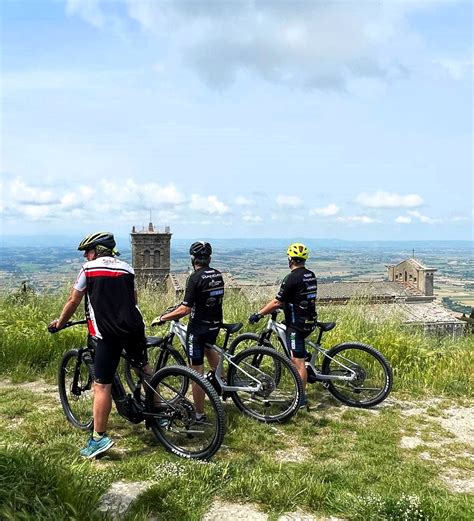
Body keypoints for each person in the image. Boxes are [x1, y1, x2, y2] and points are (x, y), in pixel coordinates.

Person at [49, 232, 150, 459]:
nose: (86, 255)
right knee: (143, 369)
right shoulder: (127, 268)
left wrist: (60, 323)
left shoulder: (89, 269)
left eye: (88, 251)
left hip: (107, 333)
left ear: (97, 250)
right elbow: (133, 301)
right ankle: (159, 412)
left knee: (102, 385)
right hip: (134, 327)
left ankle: (98, 438)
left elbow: (74, 300)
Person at [153, 241, 224, 420]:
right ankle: (221, 383)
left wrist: (162, 318)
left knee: (196, 373)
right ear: (209, 258)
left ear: (193, 259)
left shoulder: (194, 277)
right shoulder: (217, 274)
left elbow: (185, 309)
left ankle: (199, 414)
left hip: (198, 329)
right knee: (210, 349)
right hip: (214, 324)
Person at [248, 243, 317, 408]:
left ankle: (300, 400)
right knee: (298, 351)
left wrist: (259, 314)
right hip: (309, 320)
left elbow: (277, 302)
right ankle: (306, 366)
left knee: (297, 361)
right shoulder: (310, 274)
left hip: (297, 325)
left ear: (290, 259)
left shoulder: (291, 278)